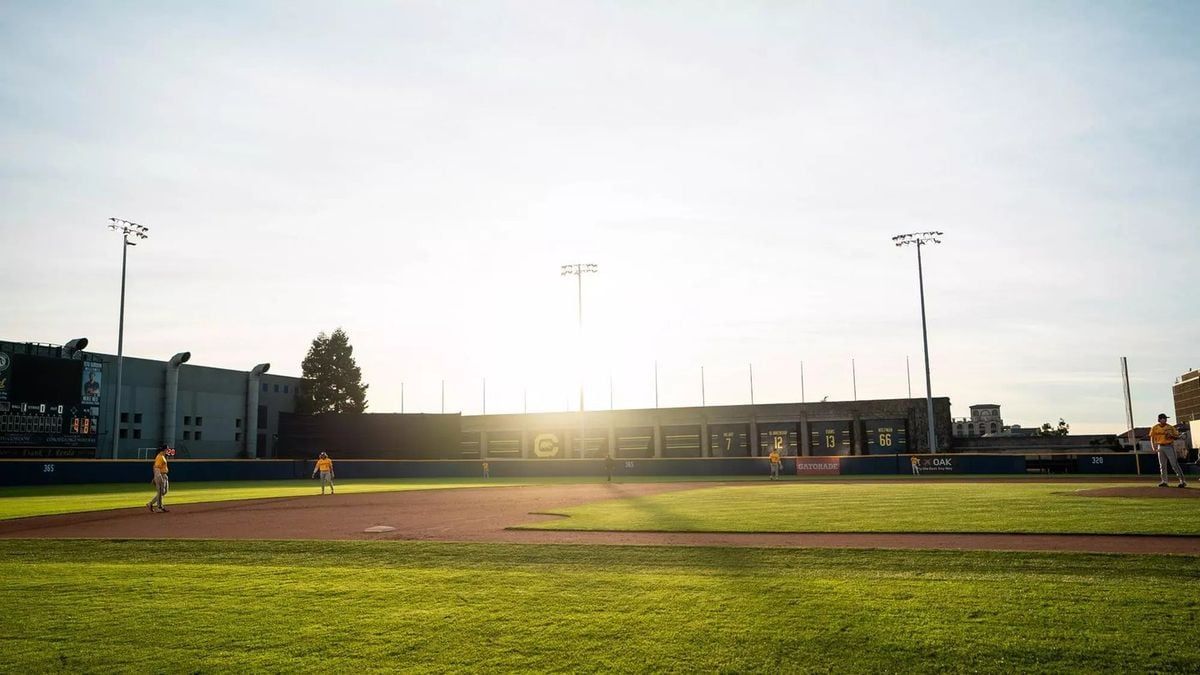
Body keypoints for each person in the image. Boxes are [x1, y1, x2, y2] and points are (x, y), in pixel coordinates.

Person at [1151, 413, 1186, 488]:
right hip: (1160, 447)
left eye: (1166, 418)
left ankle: (1182, 481)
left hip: (1169, 446)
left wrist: (1172, 436)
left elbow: (1176, 437)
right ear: (1160, 419)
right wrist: (1153, 447)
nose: (1166, 419)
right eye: (1164, 418)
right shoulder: (1154, 427)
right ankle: (1164, 481)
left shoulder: (1170, 427)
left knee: (1174, 464)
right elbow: (1152, 438)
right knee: (1162, 465)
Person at [147, 444, 170, 512]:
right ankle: (159, 507)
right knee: (160, 492)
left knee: (164, 491)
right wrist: (158, 476)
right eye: (167, 449)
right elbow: (156, 467)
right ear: (164, 450)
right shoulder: (160, 457)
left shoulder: (162, 456)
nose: (168, 451)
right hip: (161, 475)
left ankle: (150, 503)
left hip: (164, 475)